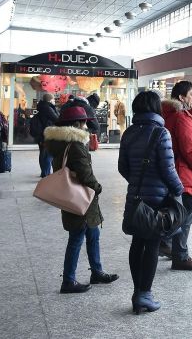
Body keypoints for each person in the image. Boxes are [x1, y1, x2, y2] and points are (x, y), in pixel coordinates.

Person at [119, 90, 184, 314]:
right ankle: (144, 295)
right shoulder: (160, 133)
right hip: (157, 201)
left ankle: (138, 292)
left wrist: (138, 181)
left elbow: (123, 167)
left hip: (136, 198)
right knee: (153, 244)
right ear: (156, 108)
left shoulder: (128, 133)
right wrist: (178, 189)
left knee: (138, 242)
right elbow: (168, 169)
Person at [44, 105, 119, 293]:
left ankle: (97, 271)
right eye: (84, 122)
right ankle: (68, 280)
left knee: (93, 234)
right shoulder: (75, 145)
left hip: (73, 196)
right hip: (81, 198)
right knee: (77, 237)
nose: (86, 125)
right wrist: (97, 187)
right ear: (78, 124)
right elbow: (85, 175)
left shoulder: (60, 142)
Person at [159, 81, 192, 271]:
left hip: (174, 170)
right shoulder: (182, 117)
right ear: (181, 97)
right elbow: (190, 149)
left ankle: (166, 242)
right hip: (187, 172)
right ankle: (180, 255)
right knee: (185, 216)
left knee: (177, 211)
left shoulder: (167, 114)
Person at [33, 93, 59, 177]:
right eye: (54, 100)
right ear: (50, 100)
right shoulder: (48, 108)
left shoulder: (42, 106)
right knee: (49, 154)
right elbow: (57, 119)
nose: (55, 101)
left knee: (43, 153)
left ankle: (44, 172)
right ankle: (46, 174)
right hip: (48, 133)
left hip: (42, 133)